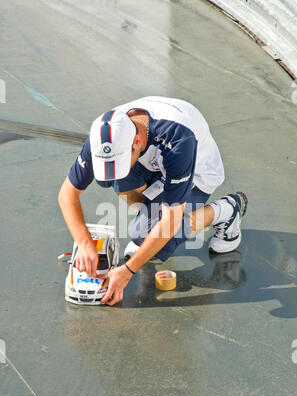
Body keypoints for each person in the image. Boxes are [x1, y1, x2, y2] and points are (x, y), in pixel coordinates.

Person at [58, 96, 248, 306]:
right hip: (153, 162)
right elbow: (67, 193)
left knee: (147, 234)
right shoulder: (104, 134)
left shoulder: (179, 140)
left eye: (118, 162)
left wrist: (129, 270)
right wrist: (84, 242)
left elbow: (171, 219)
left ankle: (227, 209)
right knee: (123, 190)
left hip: (195, 172)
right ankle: (149, 221)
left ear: (136, 142)